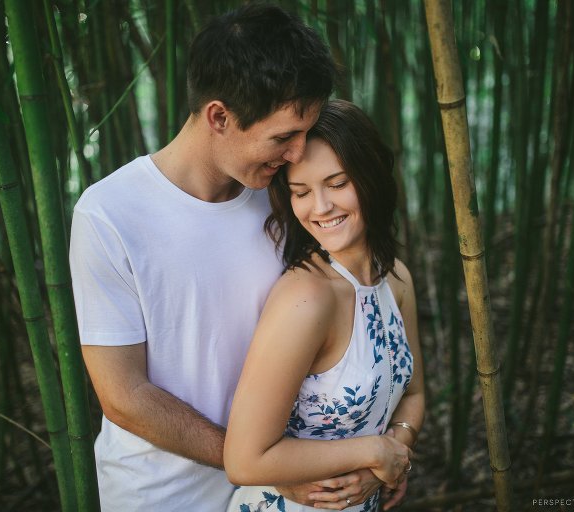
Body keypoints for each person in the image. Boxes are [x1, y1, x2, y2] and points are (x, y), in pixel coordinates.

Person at [67, 4, 359, 510]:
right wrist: (253, 461)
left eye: (304, 134)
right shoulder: (109, 213)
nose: (297, 154)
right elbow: (124, 396)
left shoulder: (286, 198)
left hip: (278, 491)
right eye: (283, 136)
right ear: (218, 116)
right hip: (161, 495)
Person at [224, 99, 426, 512]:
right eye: (301, 191)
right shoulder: (307, 298)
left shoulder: (397, 279)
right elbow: (244, 459)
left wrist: (393, 456)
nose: (320, 207)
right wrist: (373, 451)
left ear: (370, 177)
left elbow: (414, 393)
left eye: (337, 183)